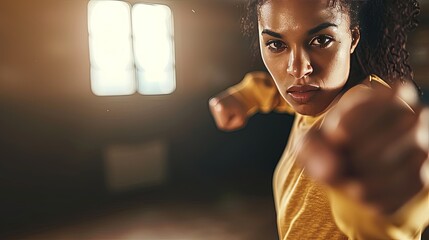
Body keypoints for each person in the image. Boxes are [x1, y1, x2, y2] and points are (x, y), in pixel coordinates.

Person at [209, 0, 429, 239]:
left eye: (321, 40)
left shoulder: (362, 114)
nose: (298, 69)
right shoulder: (318, 98)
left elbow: (393, 214)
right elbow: (277, 94)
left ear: (353, 38)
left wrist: (386, 210)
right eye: (276, 44)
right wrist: (245, 96)